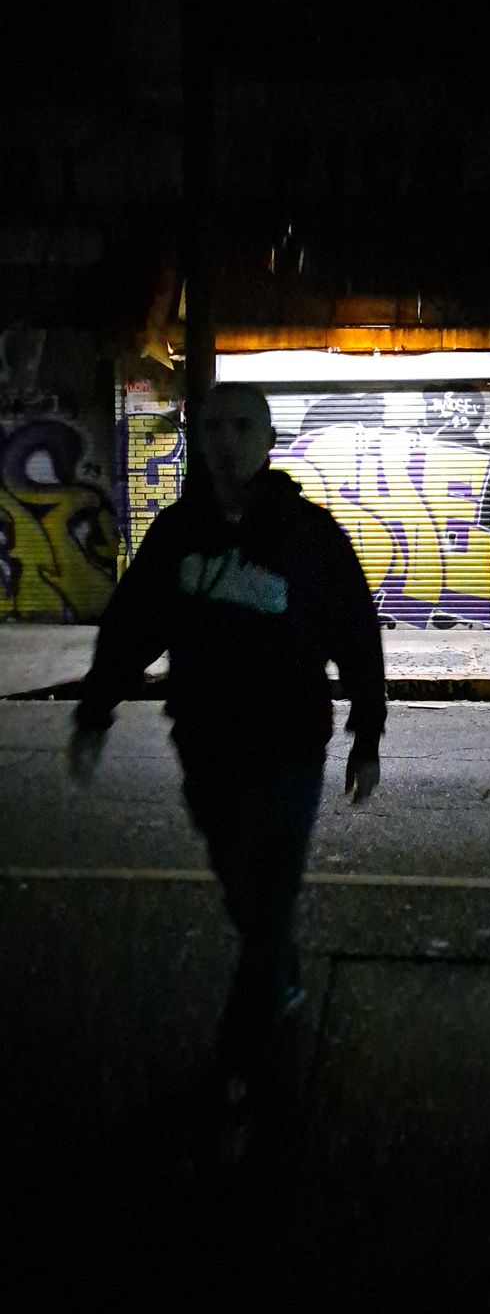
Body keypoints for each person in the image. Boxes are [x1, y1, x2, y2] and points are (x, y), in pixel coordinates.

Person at [68, 381, 386, 1158]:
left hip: (287, 748)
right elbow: (133, 624)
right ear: (198, 437)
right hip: (205, 746)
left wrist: (367, 732)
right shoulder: (179, 534)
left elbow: (355, 631)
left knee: (267, 901)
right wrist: (94, 712)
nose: (228, 440)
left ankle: (238, 1074)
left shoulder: (309, 535)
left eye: (244, 426)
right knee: (243, 893)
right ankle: (279, 969)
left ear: (270, 441)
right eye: (214, 426)